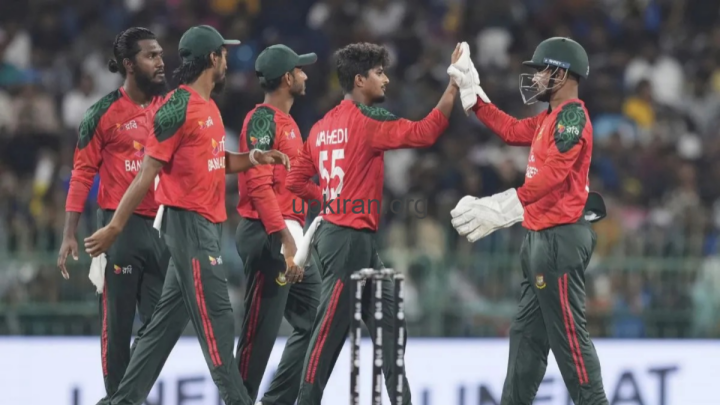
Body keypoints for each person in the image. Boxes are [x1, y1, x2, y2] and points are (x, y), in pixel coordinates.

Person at [84, 25, 290, 405]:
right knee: (219, 319)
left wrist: (254, 158)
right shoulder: (176, 107)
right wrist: (115, 226)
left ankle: (121, 401)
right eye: (224, 54)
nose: (227, 62)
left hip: (206, 225)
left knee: (164, 326)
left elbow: (214, 161)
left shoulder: (208, 107)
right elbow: (146, 173)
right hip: (188, 224)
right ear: (212, 58)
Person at [286, 42, 462, 405]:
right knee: (327, 335)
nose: (386, 79)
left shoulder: (320, 127)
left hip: (348, 238)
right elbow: (426, 132)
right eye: (379, 73)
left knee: (390, 326)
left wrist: (330, 200)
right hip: (347, 240)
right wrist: (453, 86)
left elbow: (294, 181)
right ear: (359, 80)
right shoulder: (368, 120)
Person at [448, 37, 610, 405]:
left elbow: (554, 174)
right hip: (540, 237)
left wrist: (504, 207)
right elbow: (509, 130)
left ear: (562, 74)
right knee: (526, 338)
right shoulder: (550, 118)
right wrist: (473, 91)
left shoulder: (572, 116)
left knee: (569, 337)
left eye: (541, 71)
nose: (535, 79)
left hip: (559, 238)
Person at [57, 27, 169, 405]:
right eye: (151, 55)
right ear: (128, 64)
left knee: (162, 323)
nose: (160, 61)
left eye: (160, 54)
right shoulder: (101, 113)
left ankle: (123, 399)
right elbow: (81, 173)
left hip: (162, 225)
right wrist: (69, 233)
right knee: (117, 327)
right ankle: (118, 397)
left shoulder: (169, 109)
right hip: (119, 229)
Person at [234, 44, 321, 405]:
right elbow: (258, 186)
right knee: (258, 336)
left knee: (317, 317)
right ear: (287, 78)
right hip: (268, 235)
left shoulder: (287, 123)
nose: (305, 74)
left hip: (288, 235)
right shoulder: (262, 120)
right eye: (300, 70)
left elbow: (292, 185)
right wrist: (284, 240)